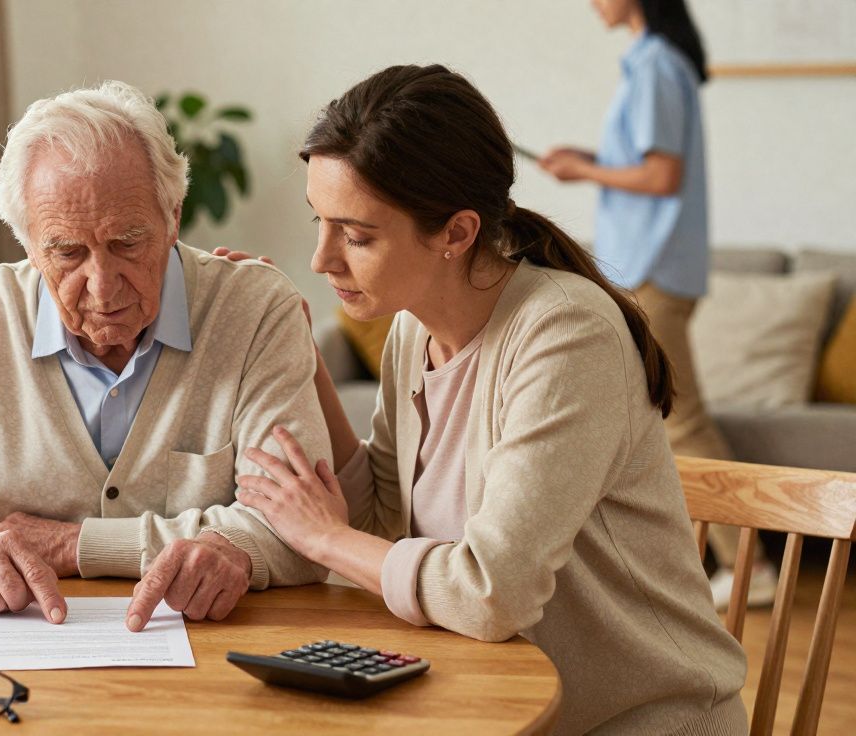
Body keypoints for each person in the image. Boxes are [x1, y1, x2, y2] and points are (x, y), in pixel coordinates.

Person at [224, 65, 747, 733]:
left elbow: (489, 592)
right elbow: (387, 523)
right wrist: (300, 354)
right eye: (319, 222)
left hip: (641, 720)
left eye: (357, 235)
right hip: (489, 704)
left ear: (456, 232)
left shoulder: (565, 335)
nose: (322, 257)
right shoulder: (413, 328)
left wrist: (324, 540)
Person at [0, 81, 330, 632]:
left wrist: (79, 545)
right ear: (27, 244)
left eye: (128, 243)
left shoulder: (254, 309)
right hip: (16, 655)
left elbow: (302, 533)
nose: (103, 286)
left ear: (173, 217)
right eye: (66, 252)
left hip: (208, 652)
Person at [540, 0, 776, 609]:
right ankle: (718, 560)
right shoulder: (654, 62)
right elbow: (652, 168)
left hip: (653, 268)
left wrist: (588, 174)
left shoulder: (655, 66)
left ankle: (751, 566)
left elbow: (661, 176)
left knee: (683, 418)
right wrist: (589, 162)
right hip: (653, 266)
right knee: (663, 414)